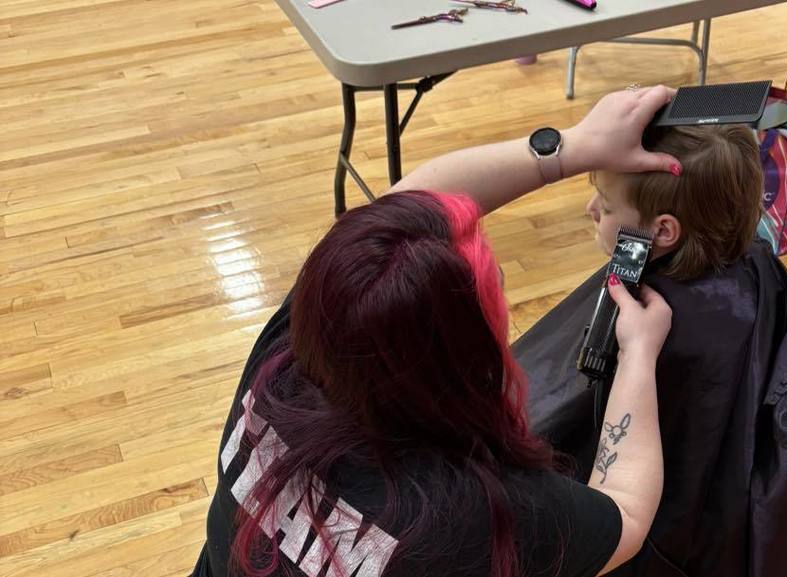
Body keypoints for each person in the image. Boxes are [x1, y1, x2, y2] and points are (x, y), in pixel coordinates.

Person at [190, 86, 684, 577]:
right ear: (463, 364)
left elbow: (398, 211)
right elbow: (627, 515)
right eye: (497, 288)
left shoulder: (284, 364)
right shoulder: (471, 515)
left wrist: (572, 147)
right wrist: (638, 352)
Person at [515, 123, 787, 577]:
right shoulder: (753, 259)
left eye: (607, 205)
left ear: (662, 231)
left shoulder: (665, 336)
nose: (590, 209)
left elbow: (605, 487)